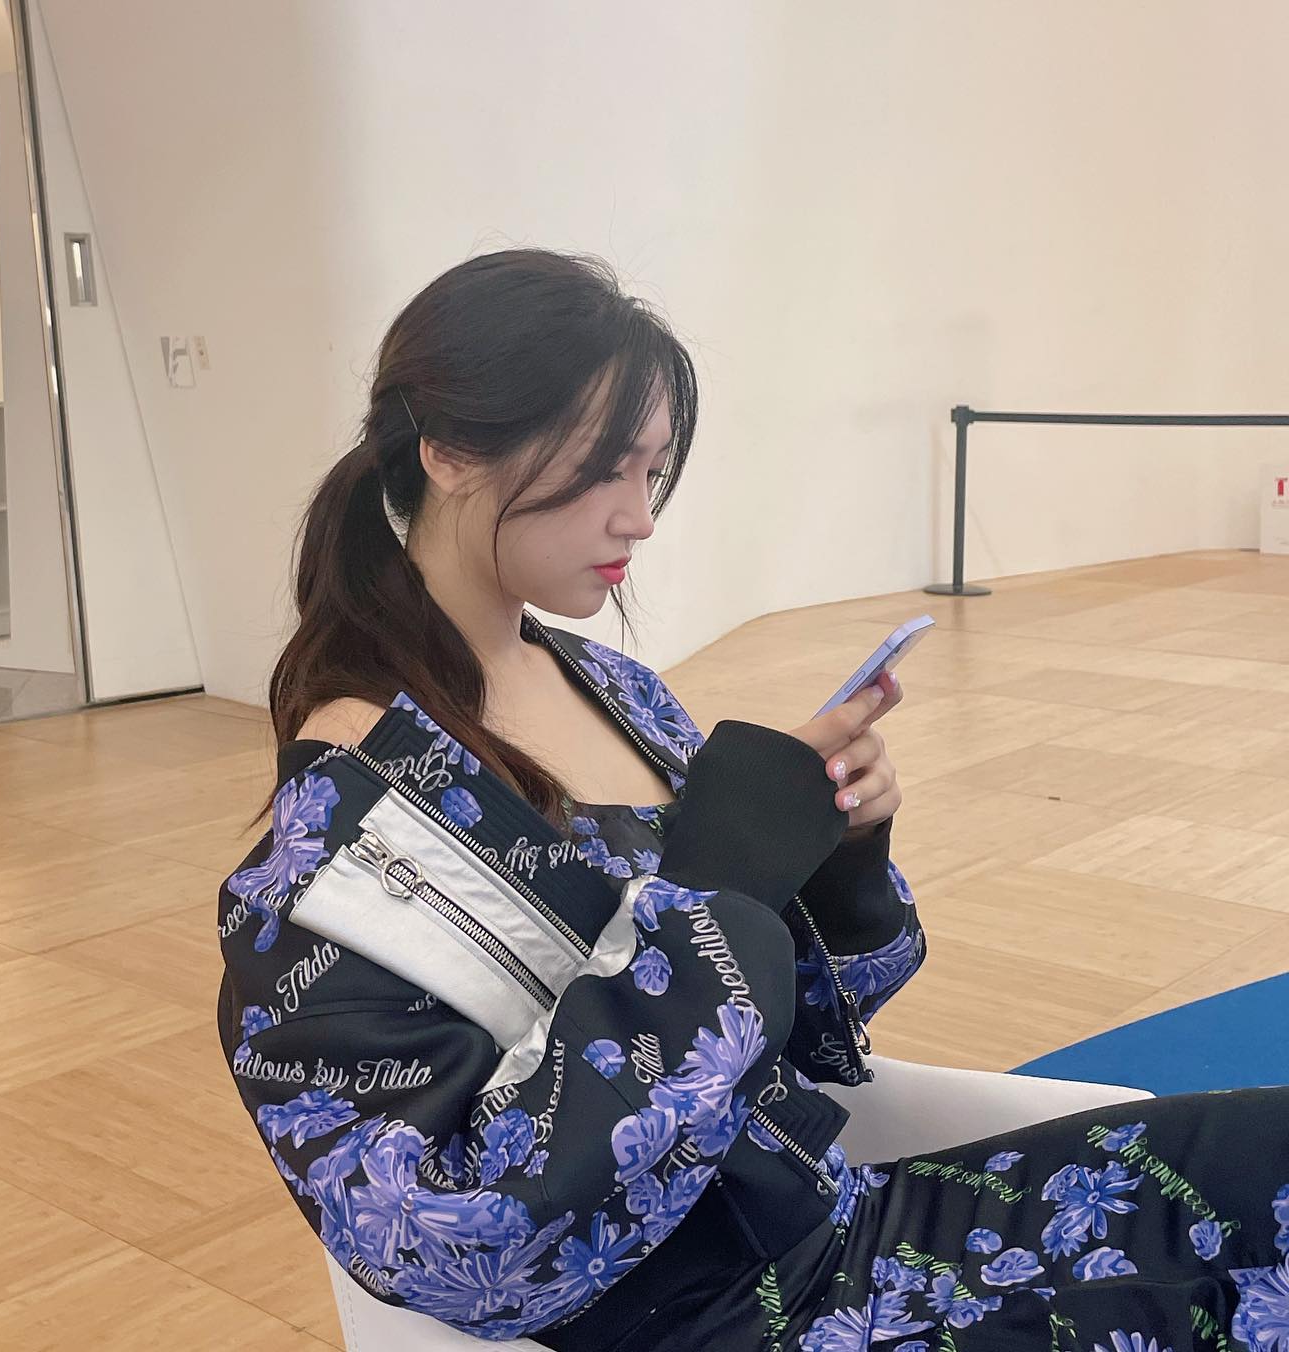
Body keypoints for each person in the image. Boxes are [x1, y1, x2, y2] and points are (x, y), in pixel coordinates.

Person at [217, 248, 1289, 1350]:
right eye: (603, 471)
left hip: (843, 1219)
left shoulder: (615, 688)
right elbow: (458, 1252)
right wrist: (713, 891)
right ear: (447, 454)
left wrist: (840, 855)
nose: (640, 517)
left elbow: (801, 1033)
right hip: (719, 1317)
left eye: (652, 472)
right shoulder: (327, 860)